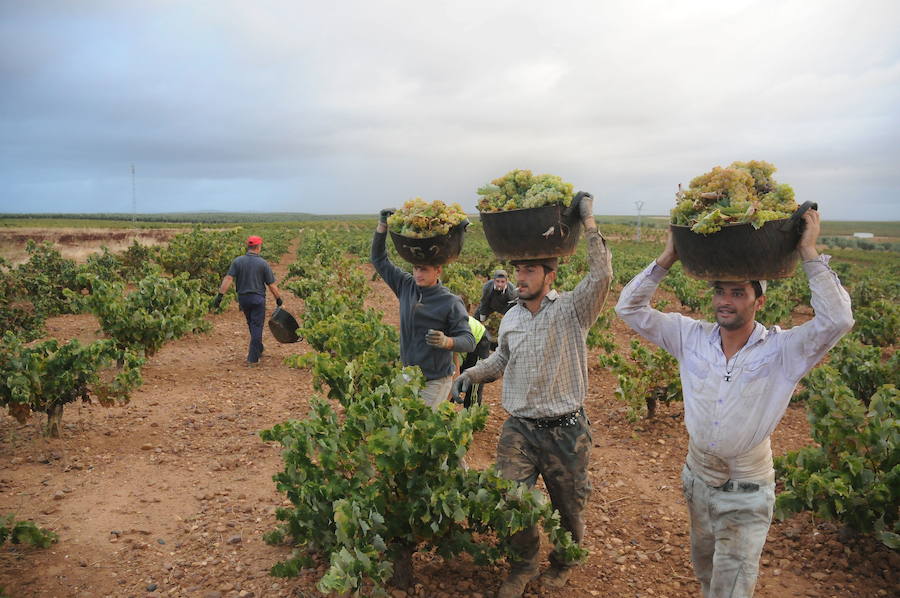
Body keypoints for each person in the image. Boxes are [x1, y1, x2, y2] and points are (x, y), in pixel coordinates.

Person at [615, 208, 853, 598]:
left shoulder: (783, 349)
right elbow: (628, 309)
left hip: (746, 486)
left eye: (738, 293)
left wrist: (809, 251)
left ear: (758, 301)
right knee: (706, 572)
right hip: (697, 478)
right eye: (720, 291)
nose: (726, 301)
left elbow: (838, 320)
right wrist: (668, 258)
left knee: (732, 587)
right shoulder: (689, 336)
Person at [451, 192, 612, 598]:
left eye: (529, 270)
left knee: (569, 508)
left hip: (565, 431)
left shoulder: (574, 309)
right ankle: (523, 564)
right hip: (519, 429)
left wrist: (588, 222)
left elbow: (602, 276)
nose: (520, 277)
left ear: (550, 275)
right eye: (517, 269)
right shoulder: (511, 319)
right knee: (511, 499)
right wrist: (470, 374)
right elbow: (501, 360)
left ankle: (562, 563)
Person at [371, 210, 475, 408]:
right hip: (408, 375)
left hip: (435, 380)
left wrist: (447, 341)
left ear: (438, 270)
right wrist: (382, 227)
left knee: (420, 431)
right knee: (404, 428)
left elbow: (469, 341)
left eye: (424, 269)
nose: (418, 274)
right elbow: (378, 260)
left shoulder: (450, 302)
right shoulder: (406, 286)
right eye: (416, 268)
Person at [213, 235, 284, 366]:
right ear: (259, 247)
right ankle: (253, 358)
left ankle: (259, 348)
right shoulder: (263, 263)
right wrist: (278, 298)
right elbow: (271, 285)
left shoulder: (238, 261)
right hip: (258, 299)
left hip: (243, 299)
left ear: (248, 246)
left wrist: (220, 296)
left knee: (252, 324)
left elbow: (228, 279)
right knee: (256, 326)